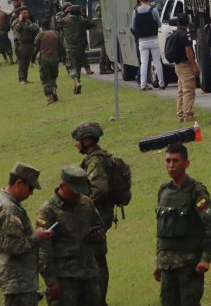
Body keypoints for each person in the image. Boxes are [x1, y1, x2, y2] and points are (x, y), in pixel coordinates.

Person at [154, 144, 211, 306]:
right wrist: (158, 262)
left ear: (186, 163)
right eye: (168, 161)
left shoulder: (196, 191)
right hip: (167, 265)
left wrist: (206, 258)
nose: (171, 165)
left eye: (175, 161)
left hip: (189, 265)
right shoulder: (164, 191)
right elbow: (162, 230)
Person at [37, 167, 105, 305]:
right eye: (74, 192)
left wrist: (97, 236)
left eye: (80, 192)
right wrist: (51, 282)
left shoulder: (86, 203)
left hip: (89, 275)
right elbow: (44, 249)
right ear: (62, 186)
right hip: (65, 280)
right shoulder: (48, 211)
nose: (78, 196)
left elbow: (100, 227)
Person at [0, 163, 54, 306]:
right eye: (30, 188)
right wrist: (37, 237)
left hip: (20, 280)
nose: (31, 193)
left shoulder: (10, 203)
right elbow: (12, 246)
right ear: (19, 184)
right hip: (17, 280)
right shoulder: (8, 209)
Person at [73, 121, 117, 302]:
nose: (75, 144)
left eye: (78, 140)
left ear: (88, 140)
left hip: (97, 217)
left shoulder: (96, 160)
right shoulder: (94, 158)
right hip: (96, 215)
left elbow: (99, 188)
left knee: (96, 260)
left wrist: (81, 206)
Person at [169, 15, 200, 123]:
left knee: (181, 91)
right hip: (185, 65)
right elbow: (188, 51)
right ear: (187, 23)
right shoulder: (185, 35)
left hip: (178, 66)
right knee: (189, 91)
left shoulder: (175, 33)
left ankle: (180, 115)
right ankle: (188, 115)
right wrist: (194, 65)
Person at [132, 0, 164, 91]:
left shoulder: (136, 11)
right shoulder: (153, 10)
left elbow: (133, 27)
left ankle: (143, 84)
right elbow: (159, 24)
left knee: (144, 63)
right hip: (153, 39)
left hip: (142, 41)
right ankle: (161, 83)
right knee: (157, 61)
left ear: (140, 0)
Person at [59, 5, 93, 95]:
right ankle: (75, 86)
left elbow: (57, 19)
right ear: (79, 12)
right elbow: (92, 23)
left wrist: (64, 12)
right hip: (81, 48)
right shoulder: (83, 21)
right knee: (77, 67)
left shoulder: (65, 21)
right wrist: (84, 15)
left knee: (70, 66)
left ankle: (77, 82)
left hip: (70, 48)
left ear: (69, 12)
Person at [35, 21, 64, 105]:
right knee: (53, 76)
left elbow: (36, 48)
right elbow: (61, 46)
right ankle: (54, 90)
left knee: (45, 78)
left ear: (41, 27)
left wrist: (32, 59)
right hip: (55, 58)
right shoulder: (56, 33)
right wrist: (63, 57)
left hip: (45, 58)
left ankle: (48, 98)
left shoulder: (40, 35)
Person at [13, 8, 39, 85]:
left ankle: (25, 78)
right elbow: (17, 28)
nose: (26, 14)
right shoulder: (17, 21)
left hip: (29, 44)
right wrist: (20, 20)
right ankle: (21, 79)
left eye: (27, 13)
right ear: (20, 14)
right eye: (24, 13)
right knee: (22, 62)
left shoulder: (28, 21)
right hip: (21, 44)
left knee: (27, 62)